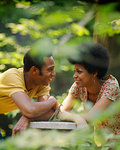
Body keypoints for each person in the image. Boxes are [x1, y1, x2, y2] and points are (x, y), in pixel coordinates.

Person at [58, 42, 120, 141]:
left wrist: (74, 117)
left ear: (94, 73)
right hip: (101, 142)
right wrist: (78, 119)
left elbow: (92, 116)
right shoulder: (79, 86)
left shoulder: (111, 86)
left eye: (79, 71)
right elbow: (61, 111)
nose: (74, 75)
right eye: (74, 71)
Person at [0, 42, 59, 137]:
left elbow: (47, 112)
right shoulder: (12, 77)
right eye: (49, 70)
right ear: (34, 70)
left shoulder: (42, 82)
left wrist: (27, 118)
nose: (54, 74)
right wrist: (52, 101)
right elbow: (30, 110)